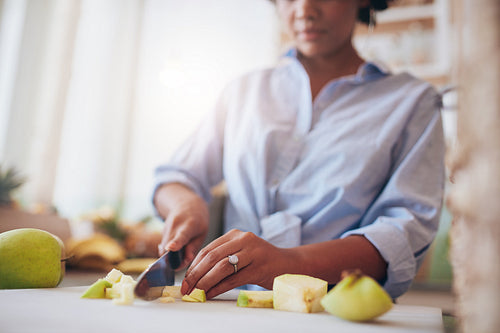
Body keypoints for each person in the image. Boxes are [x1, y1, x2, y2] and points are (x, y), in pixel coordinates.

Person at [152, 0, 445, 300]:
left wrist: (287, 263)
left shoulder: (412, 102)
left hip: (337, 313)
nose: (304, 9)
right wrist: (186, 206)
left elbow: (402, 234)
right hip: (232, 308)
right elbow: (176, 177)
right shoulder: (244, 91)